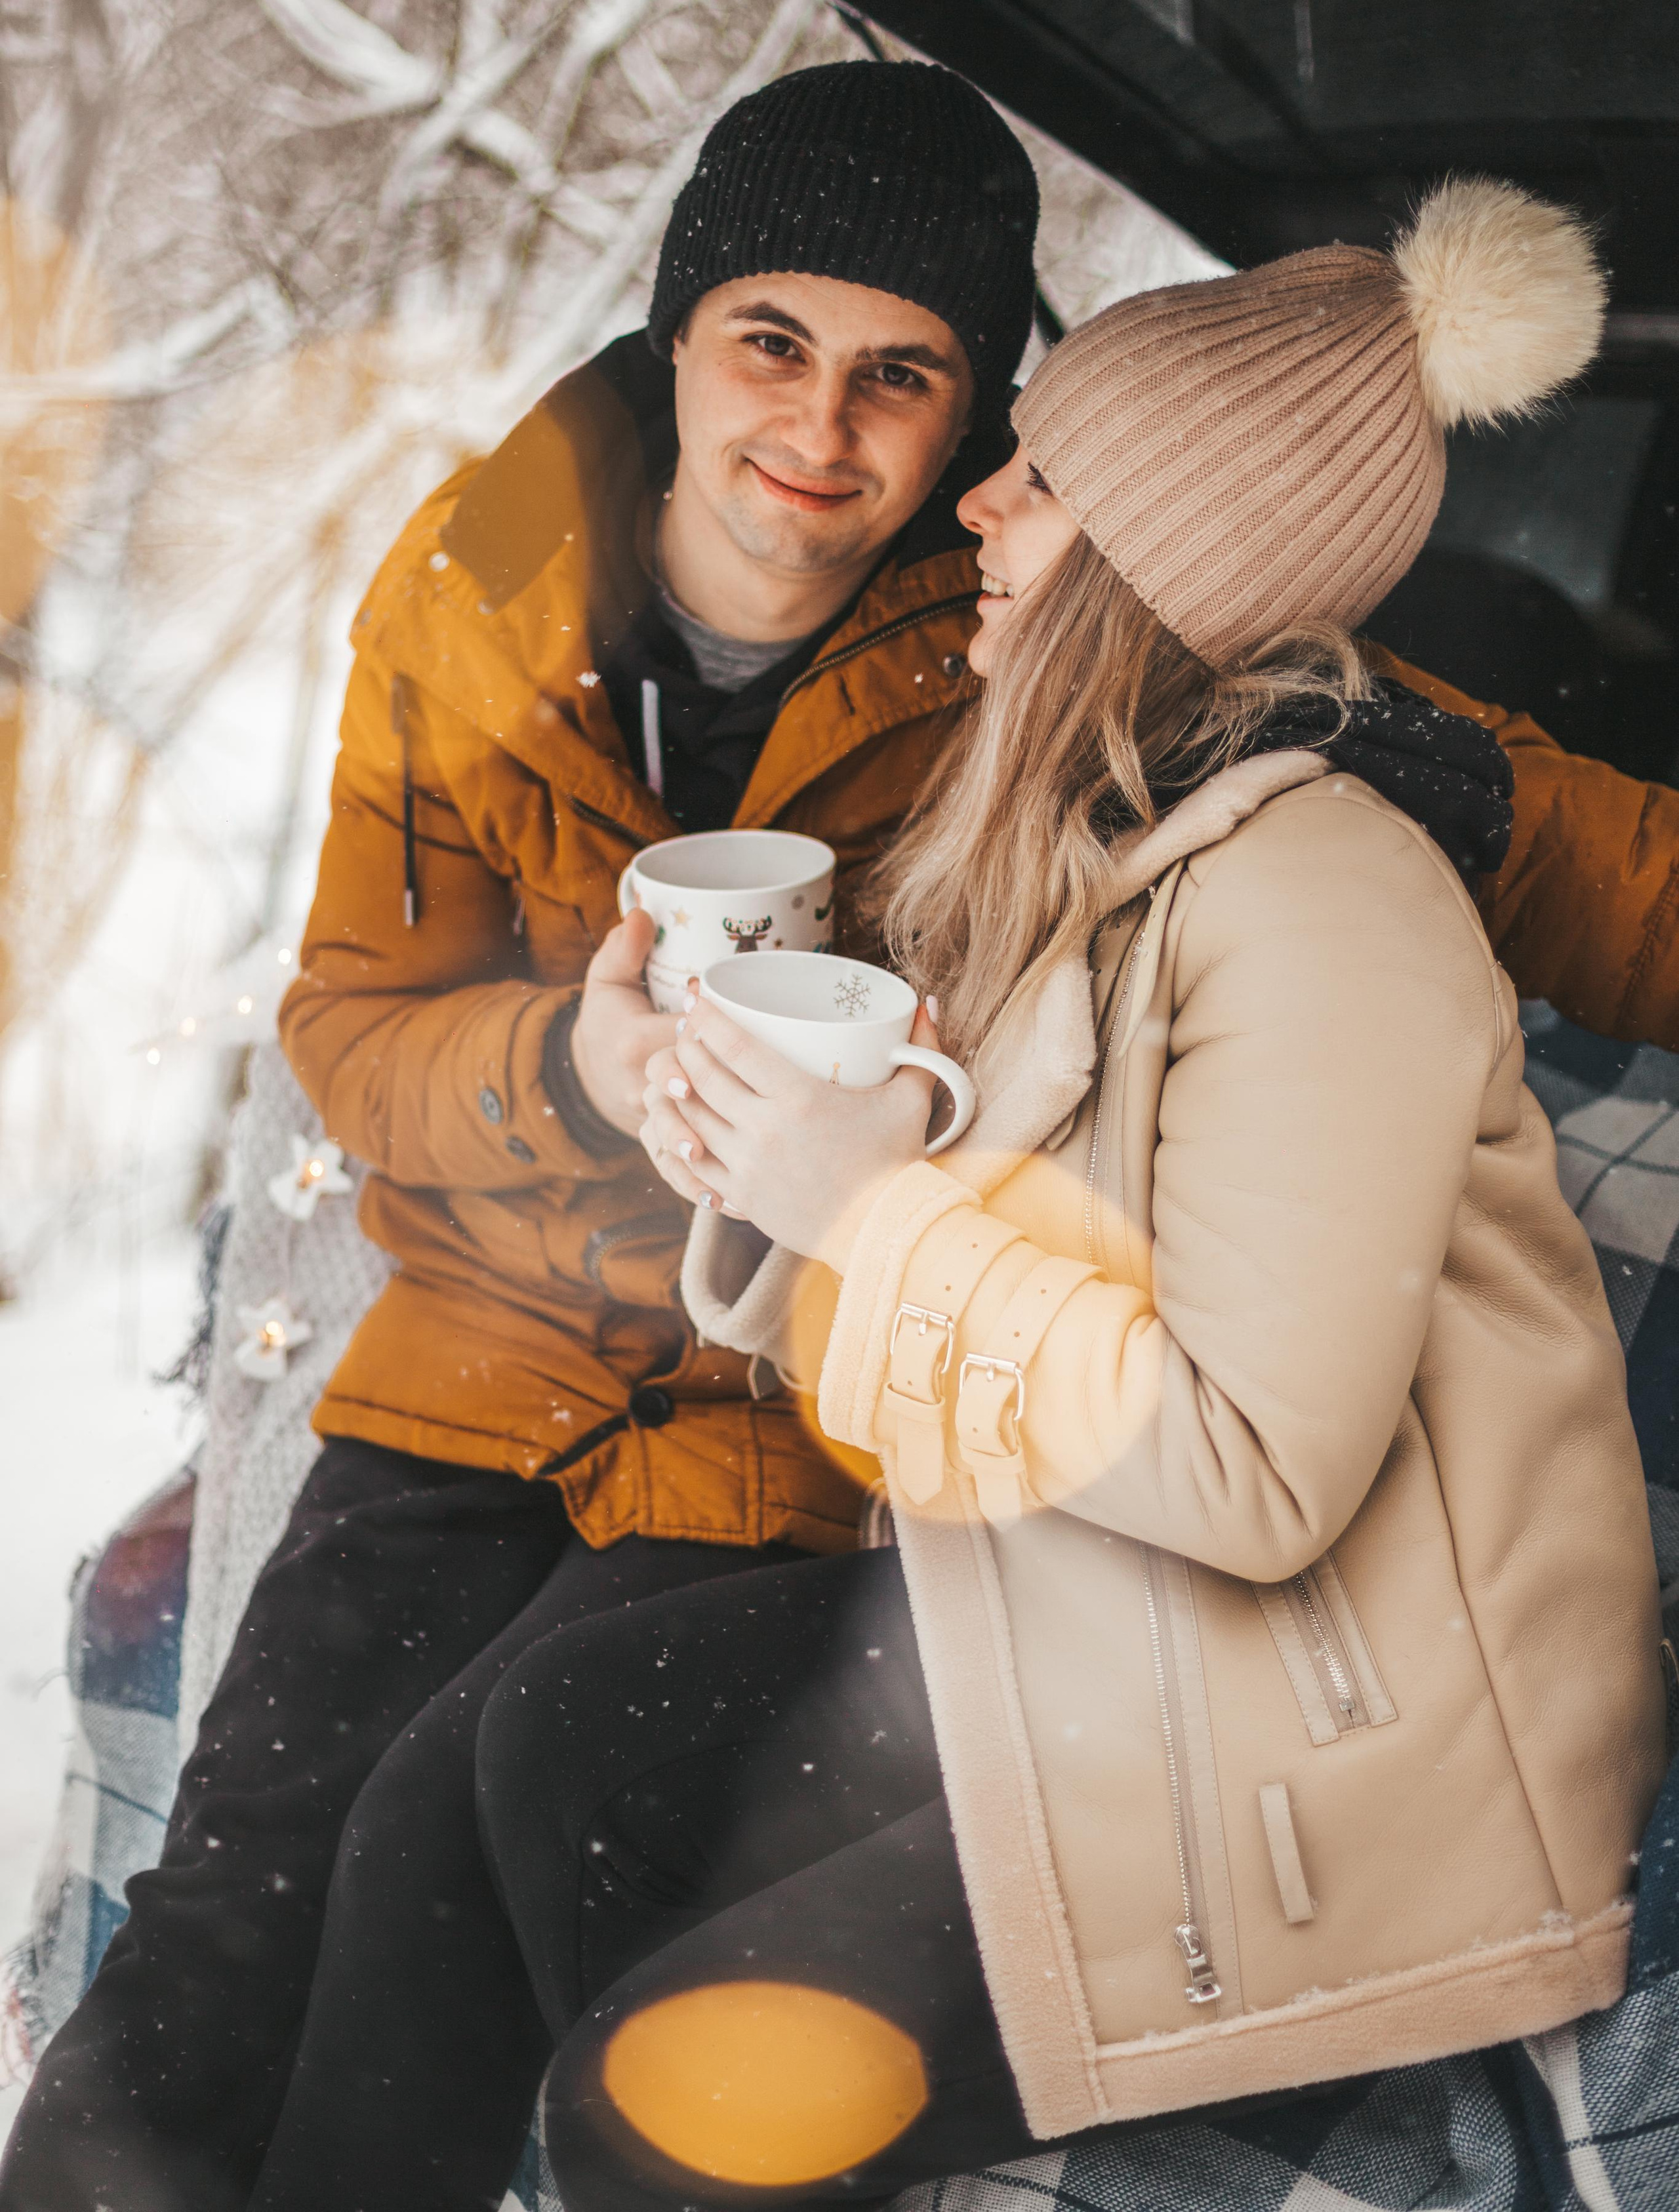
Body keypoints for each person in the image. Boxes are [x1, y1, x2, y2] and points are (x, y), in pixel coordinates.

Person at [2, 63, 1674, 2212]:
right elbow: (355, 1023)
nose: (826, 432)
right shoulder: (479, 586)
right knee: (220, 1933)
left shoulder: (1093, 704)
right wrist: (584, 1083)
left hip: (807, 1417)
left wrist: (1435, 766)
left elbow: (1369, 740)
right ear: (676, 333)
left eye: (912, 380)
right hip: (505, 1348)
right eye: (770, 344)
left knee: (483, 1815)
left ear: (984, 418)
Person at [455, 177, 1663, 2209]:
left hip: (1331, 1774)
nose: (980, 514)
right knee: (562, 1734)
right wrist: (753, 1149)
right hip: (1129, 1638)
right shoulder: (1115, 852)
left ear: (1166, 554)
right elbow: (996, 1271)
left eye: (1037, 478)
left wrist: (864, 1209)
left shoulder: (1321, 894)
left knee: (641, 2110)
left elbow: (1254, 1471)